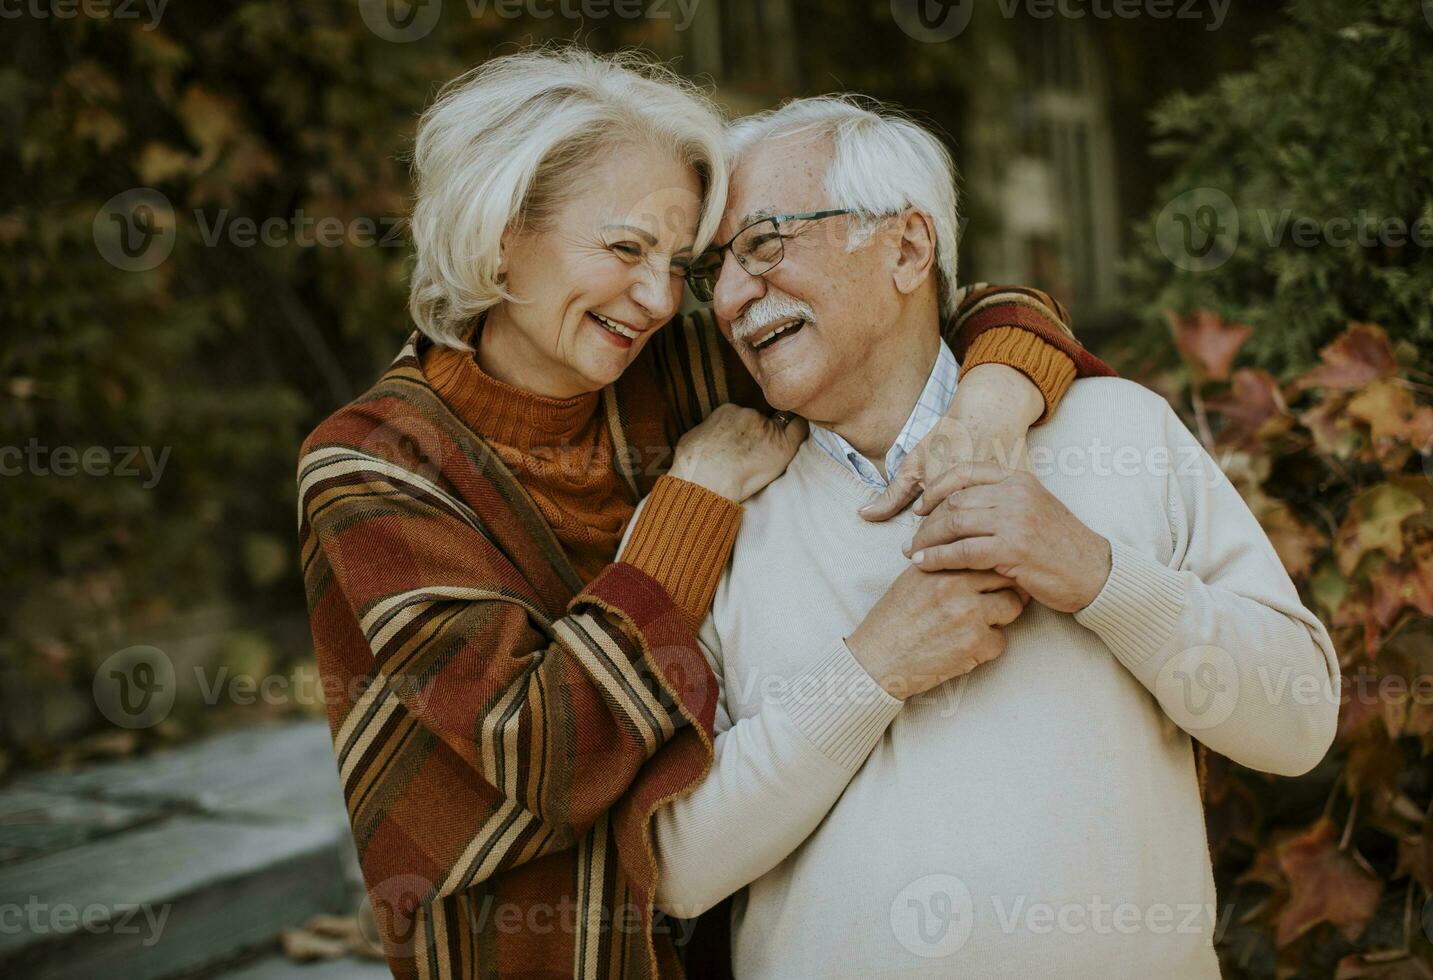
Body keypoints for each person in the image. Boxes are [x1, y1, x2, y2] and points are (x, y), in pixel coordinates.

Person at [296, 51, 1105, 980]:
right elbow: (546, 753)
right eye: (625, 249)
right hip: (548, 946)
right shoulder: (372, 466)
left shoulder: (673, 366)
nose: (657, 300)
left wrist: (990, 405)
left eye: (679, 263)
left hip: (744, 907)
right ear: (503, 231)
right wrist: (693, 500)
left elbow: (939, 310)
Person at [641, 96, 1341, 978]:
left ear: (905, 247)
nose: (735, 294)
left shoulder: (1119, 433)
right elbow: (675, 866)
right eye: (717, 272)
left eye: (767, 243)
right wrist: (871, 670)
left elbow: (1300, 722)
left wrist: (1097, 576)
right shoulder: (720, 509)